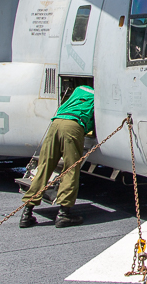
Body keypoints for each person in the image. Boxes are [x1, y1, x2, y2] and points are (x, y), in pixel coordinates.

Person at [19, 84, 95, 229]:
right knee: (71, 169)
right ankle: (63, 214)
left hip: (56, 122)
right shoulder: (97, 97)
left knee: (44, 166)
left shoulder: (79, 89)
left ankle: (26, 213)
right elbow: (92, 122)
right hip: (73, 125)